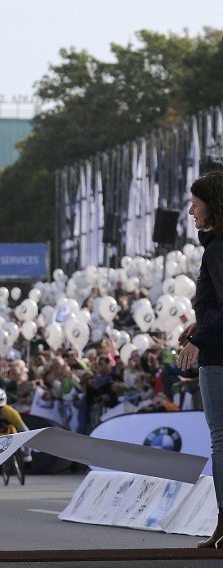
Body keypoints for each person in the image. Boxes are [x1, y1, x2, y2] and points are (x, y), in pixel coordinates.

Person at [177, 171, 223, 549]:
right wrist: (197, 327)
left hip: (220, 356)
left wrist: (200, 340)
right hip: (214, 342)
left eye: (196, 202)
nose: (191, 210)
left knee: (221, 441)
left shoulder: (217, 248)